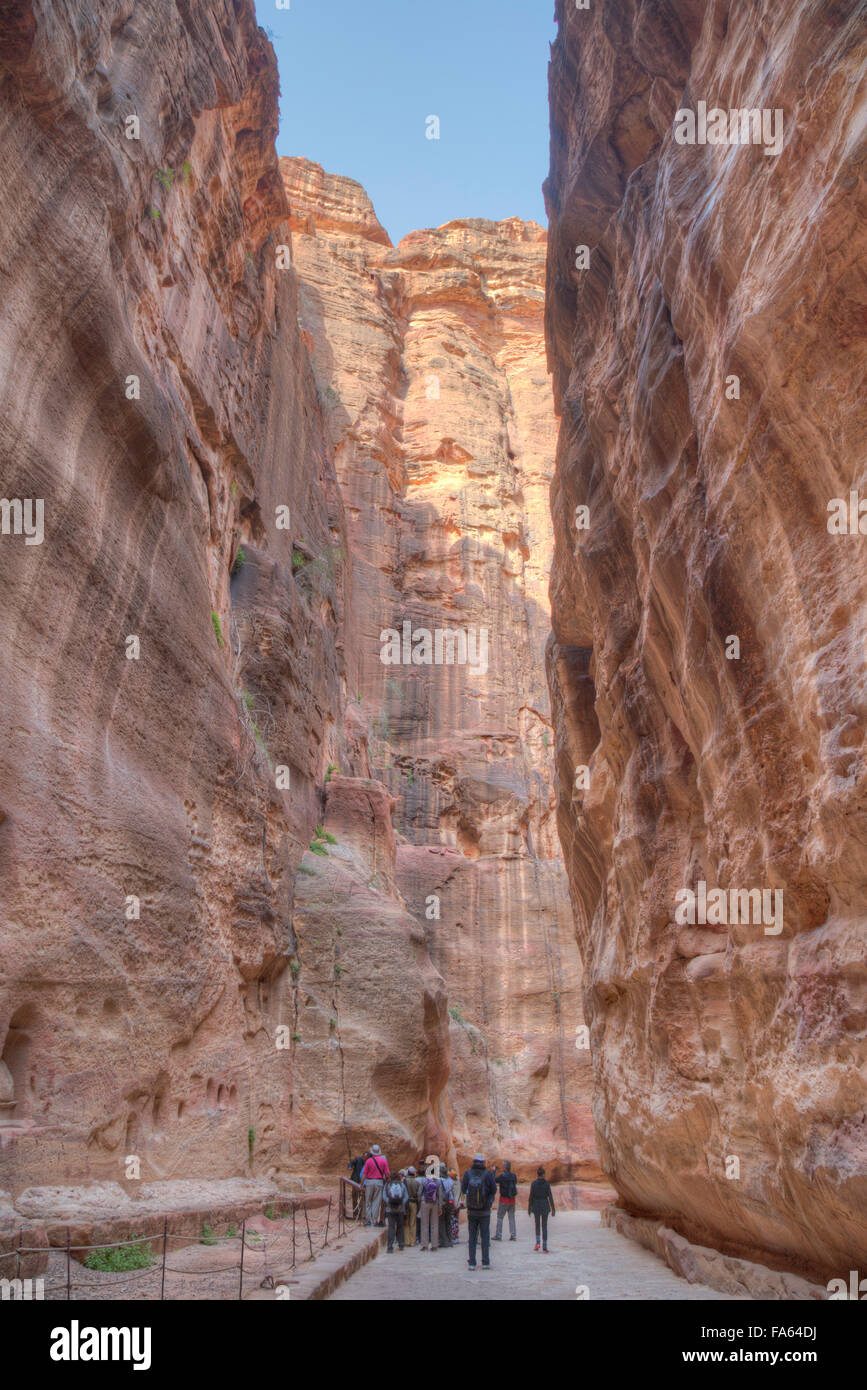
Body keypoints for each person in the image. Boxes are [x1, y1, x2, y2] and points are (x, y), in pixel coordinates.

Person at [460, 1153, 497, 1270]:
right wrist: (489, 1200)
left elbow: (463, 1189)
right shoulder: (488, 1174)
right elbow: (494, 1189)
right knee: (485, 1237)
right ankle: (485, 1262)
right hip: (485, 1211)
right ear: (483, 1162)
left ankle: (472, 1263)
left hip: (471, 1211)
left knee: (472, 1237)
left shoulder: (468, 1174)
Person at [528, 1166, 556, 1252]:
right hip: (544, 1205)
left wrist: (529, 1208)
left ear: (538, 1174)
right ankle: (544, 1247)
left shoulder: (533, 1184)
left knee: (537, 1225)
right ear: (543, 1174)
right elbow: (550, 1197)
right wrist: (553, 1209)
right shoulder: (547, 1184)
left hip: (536, 1205)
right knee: (544, 1226)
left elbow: (531, 1197)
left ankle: (538, 1243)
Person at [361, 1145, 389, 1227]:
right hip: (379, 1182)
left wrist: (361, 1184)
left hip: (369, 1181)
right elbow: (387, 1174)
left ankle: (368, 1220)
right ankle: (374, 1220)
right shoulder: (383, 1161)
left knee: (368, 1201)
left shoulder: (368, 1161)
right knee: (376, 1202)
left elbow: (364, 1174)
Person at [418, 1165, 443, 1250]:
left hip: (424, 1202)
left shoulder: (424, 1180)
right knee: (434, 1224)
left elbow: (419, 1192)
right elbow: (440, 1195)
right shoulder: (438, 1181)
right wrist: (440, 1206)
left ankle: (424, 1245)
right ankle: (434, 1245)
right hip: (435, 1203)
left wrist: (420, 1201)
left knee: (424, 1224)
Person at [493, 1159, 518, 1241]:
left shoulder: (502, 1176)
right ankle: (513, 1235)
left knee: (500, 1217)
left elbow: (493, 1180)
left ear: (504, 1167)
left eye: (502, 1165)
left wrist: (493, 1171)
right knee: (511, 1217)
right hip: (512, 1199)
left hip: (504, 1199)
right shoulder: (514, 1176)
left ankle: (498, 1235)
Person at [384, 1171, 409, 1252]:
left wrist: (389, 1202)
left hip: (390, 1209)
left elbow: (384, 1196)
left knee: (391, 1227)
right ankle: (401, 1244)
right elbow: (406, 1196)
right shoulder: (402, 1185)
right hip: (400, 1209)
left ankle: (390, 1247)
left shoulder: (387, 1185)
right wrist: (401, 1203)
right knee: (400, 1227)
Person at [438, 1163, 454, 1248]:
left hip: (443, 1203)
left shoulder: (439, 1180)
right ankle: (450, 1240)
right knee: (448, 1221)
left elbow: (439, 1194)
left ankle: (444, 1241)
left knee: (441, 1222)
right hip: (450, 1202)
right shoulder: (450, 1180)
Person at [404, 1166, 420, 1247]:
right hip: (414, 1203)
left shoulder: (404, 1181)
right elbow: (418, 1194)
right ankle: (412, 1241)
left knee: (406, 1222)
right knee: (413, 1222)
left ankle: (406, 1241)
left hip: (405, 1203)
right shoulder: (416, 1182)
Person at [449, 1170, 461, 1244]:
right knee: (456, 1220)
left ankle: (452, 1236)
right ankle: (456, 1235)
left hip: (452, 1204)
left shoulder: (451, 1183)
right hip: (458, 1204)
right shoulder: (458, 1182)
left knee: (452, 1220)